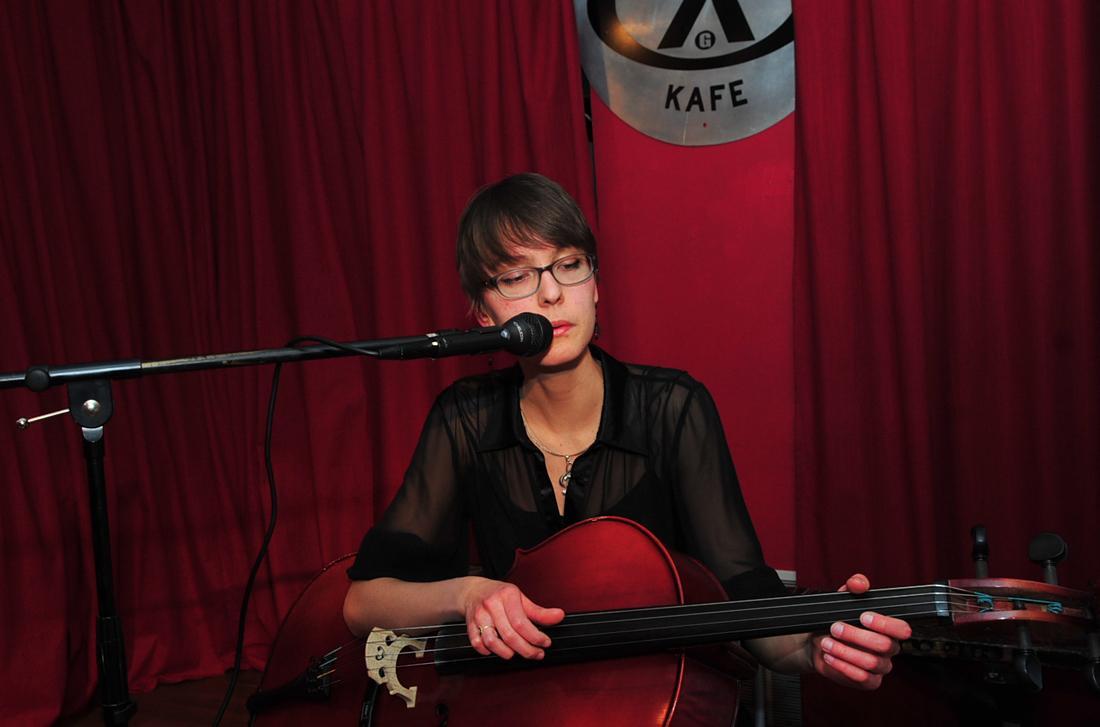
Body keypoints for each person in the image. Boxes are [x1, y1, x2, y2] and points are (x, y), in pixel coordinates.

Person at [343, 173, 910, 690]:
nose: (550, 294)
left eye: (569, 265)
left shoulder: (672, 408)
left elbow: (742, 592)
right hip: (514, 703)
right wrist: (468, 594)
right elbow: (362, 603)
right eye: (516, 276)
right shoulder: (465, 418)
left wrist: (811, 646)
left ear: (595, 285)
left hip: (656, 702)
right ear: (484, 314)